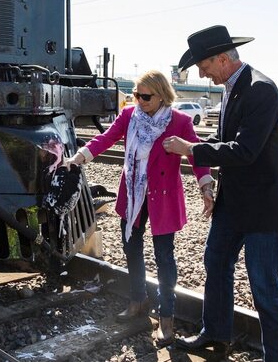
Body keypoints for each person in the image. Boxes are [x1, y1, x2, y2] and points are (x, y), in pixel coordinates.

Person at [162, 25, 278, 361]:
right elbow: (226, 139)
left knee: (264, 286)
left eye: (203, 65)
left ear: (222, 58)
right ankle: (216, 332)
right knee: (216, 262)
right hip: (234, 203)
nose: (201, 72)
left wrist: (192, 151)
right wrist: (193, 146)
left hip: (263, 208)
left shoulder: (261, 90)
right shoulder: (232, 87)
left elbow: (245, 150)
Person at [65, 70, 215, 346]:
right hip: (133, 195)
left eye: (145, 96)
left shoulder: (179, 122)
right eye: (136, 95)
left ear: (161, 96)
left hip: (163, 197)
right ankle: (138, 301)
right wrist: (80, 156)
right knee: (131, 247)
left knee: (164, 257)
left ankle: (166, 318)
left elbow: (198, 155)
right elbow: (106, 138)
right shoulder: (129, 116)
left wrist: (206, 186)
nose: (139, 101)